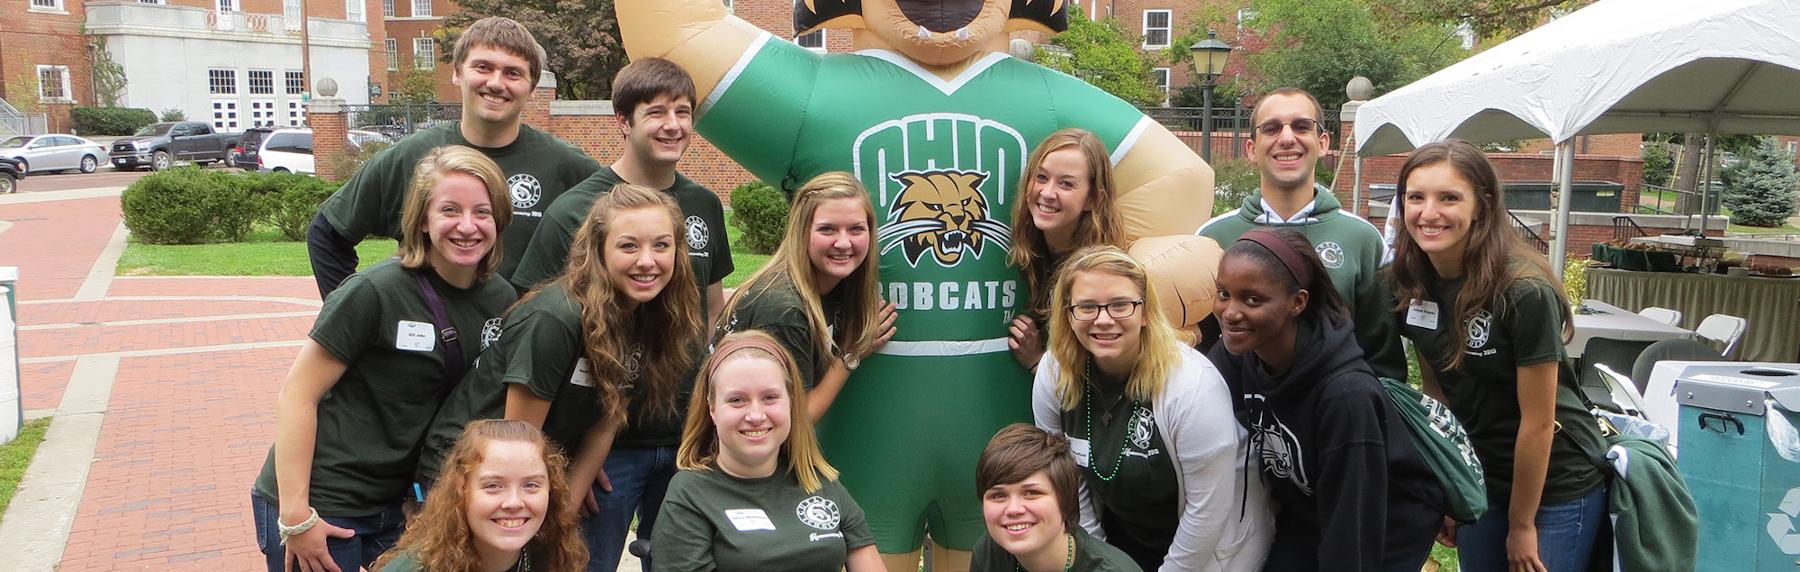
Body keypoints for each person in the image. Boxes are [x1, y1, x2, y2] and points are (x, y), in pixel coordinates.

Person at [504, 56, 734, 572]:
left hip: (686, 438)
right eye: (656, 112)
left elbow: (711, 309)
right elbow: (536, 325)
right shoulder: (576, 210)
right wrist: (570, 456)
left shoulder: (703, 204)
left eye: (682, 111)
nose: (672, 125)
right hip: (607, 446)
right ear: (623, 121)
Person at [252, 146, 520, 572]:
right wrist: (297, 515)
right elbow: (297, 395)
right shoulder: (375, 291)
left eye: (482, 212)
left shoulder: (500, 298)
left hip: (401, 506)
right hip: (325, 500)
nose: (467, 226)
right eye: (449, 210)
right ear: (423, 219)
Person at [412, 184, 704, 567]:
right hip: (473, 475)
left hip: (530, 477)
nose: (647, 261)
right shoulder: (555, 319)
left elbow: (606, 424)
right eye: (629, 246)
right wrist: (541, 524)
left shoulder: (644, 313)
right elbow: (516, 440)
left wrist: (560, 520)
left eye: (662, 245)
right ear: (598, 250)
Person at [1388, 139, 1607, 572]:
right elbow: (1438, 398)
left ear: (1483, 206)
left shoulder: (1523, 290)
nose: (1429, 212)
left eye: (1449, 198)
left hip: (1554, 485)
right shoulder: (1409, 283)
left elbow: (1539, 422)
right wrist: (1452, 486)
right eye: (1416, 197)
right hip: (1483, 479)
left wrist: (1522, 525)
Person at [308, 16, 601, 297]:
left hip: (525, 331)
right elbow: (327, 234)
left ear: (532, 87)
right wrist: (353, 313)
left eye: (513, 73)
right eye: (483, 67)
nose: (496, 83)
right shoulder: (410, 157)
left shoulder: (568, 167)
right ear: (457, 72)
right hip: (431, 330)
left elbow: (614, 247)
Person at [1206, 228, 1444, 571]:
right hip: (1308, 513)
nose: (1230, 312)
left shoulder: (1346, 396)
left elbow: (1352, 528)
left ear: (1297, 302)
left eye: (1253, 300)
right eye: (1224, 294)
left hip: (1381, 531)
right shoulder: (1242, 354)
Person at [1031, 246, 1272, 572]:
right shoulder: (1055, 371)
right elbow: (1066, 480)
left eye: (1120, 305)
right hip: (1121, 537)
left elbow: (1207, 511)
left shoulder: (1192, 385)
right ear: (1068, 314)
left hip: (1209, 547)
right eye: (1086, 307)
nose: (1103, 320)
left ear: (1145, 312)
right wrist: (1099, 560)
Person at [1196, 87, 1404, 381]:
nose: (1287, 138)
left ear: (1322, 143)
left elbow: (1383, 362)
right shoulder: (1211, 238)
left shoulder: (1363, 240)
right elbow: (1197, 350)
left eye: (1301, 126)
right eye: (1271, 128)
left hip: (1337, 407)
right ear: (1252, 149)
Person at [651, 330, 886, 572]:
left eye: (770, 397)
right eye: (737, 400)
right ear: (712, 409)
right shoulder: (691, 494)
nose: (756, 415)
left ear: (791, 402)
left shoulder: (820, 482)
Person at [715, 171, 896, 420]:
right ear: (802, 232)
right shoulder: (783, 310)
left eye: (856, 229)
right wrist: (850, 354)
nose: (844, 243)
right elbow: (795, 419)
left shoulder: (835, 285)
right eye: (827, 229)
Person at [371, 419, 587, 572]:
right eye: (493, 486)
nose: (514, 502)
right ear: (461, 489)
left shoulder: (554, 558)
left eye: (531, 485)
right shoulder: (417, 567)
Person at [1007, 128, 1125, 372]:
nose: (1047, 193)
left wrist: (1038, 363)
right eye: (1041, 177)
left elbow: (1102, 376)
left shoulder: (1100, 275)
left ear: (1093, 199)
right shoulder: (1033, 251)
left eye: (1066, 184)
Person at [970, 423, 1142, 572]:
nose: (1013, 509)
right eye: (998, 495)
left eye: (1031, 493)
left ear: (1065, 500)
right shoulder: (990, 554)